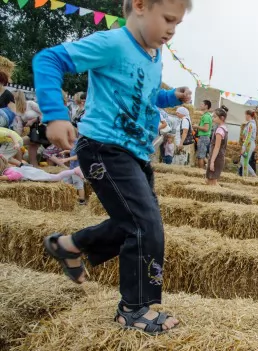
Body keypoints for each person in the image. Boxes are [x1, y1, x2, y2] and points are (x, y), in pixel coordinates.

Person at [33, 0, 193, 334]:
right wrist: (55, 114)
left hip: (134, 153)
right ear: (139, 6)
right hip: (103, 148)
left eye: (177, 24)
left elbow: (146, 98)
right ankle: (132, 310)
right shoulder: (113, 43)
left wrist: (170, 98)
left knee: (136, 223)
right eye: (167, 19)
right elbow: (48, 59)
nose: (171, 31)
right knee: (144, 225)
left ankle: (69, 245)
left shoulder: (154, 55)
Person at [0, 153, 83, 182]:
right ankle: (74, 171)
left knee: (56, 177)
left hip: (34, 174)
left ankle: (75, 170)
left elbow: (17, 175)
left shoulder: (8, 171)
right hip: (31, 172)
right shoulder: (8, 169)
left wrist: (5, 178)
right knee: (56, 177)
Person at [59, 136, 87, 205]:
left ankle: (82, 201)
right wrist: (66, 151)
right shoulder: (73, 142)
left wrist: (67, 159)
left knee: (79, 184)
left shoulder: (79, 142)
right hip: (72, 168)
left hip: (78, 169)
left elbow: (79, 155)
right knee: (67, 182)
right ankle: (69, 198)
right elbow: (73, 150)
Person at [207, 106, 229, 185]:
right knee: (211, 181)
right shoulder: (224, 128)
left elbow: (217, 147)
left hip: (216, 157)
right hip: (219, 156)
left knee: (211, 181)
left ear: (222, 118)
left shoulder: (219, 130)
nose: (213, 118)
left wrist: (212, 161)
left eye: (215, 117)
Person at [194, 99, 212, 169]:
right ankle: (208, 168)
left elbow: (206, 128)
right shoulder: (207, 115)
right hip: (204, 137)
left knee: (200, 157)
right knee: (202, 156)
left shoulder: (206, 116)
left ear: (206, 106)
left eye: (202, 104)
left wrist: (196, 126)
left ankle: (200, 172)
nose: (200, 106)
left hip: (203, 137)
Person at [240, 110, 257, 177]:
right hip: (248, 143)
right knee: (243, 161)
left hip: (248, 144)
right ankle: (252, 174)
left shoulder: (251, 124)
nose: (245, 116)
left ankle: (246, 176)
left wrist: (244, 147)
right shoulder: (250, 124)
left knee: (244, 161)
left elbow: (248, 136)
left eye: (245, 115)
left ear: (248, 115)